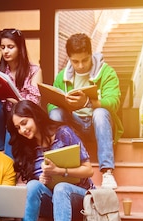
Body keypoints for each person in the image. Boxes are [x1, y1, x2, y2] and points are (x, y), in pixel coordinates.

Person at [7, 100, 94, 221]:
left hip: (79, 198)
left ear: (35, 116)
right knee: (32, 185)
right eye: (18, 127)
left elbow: (89, 170)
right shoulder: (27, 147)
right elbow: (36, 188)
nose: (22, 130)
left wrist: (59, 171)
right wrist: (43, 180)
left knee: (62, 188)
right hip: (53, 201)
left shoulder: (63, 133)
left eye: (24, 123)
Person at [47, 33, 123, 190]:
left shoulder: (107, 72)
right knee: (55, 114)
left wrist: (88, 102)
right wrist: (63, 103)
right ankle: (60, 168)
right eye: (75, 61)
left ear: (91, 54)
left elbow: (114, 102)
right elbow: (50, 105)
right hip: (76, 126)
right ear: (69, 58)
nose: (80, 65)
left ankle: (107, 171)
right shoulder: (62, 76)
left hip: (99, 124)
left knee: (100, 112)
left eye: (84, 60)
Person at [0, 28, 42, 155]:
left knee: (14, 117)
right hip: (2, 118)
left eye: (10, 47)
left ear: (20, 48)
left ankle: (5, 154)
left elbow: (35, 103)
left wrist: (17, 101)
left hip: (20, 120)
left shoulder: (34, 71)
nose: (5, 51)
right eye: (2, 47)